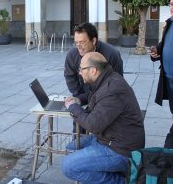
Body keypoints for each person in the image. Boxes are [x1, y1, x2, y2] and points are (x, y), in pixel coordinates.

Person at [61, 52, 145, 184]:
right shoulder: (107, 79)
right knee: (71, 148)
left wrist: (72, 107)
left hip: (121, 150)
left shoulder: (112, 89)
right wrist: (78, 100)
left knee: (67, 166)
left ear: (93, 70)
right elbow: (93, 96)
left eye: (81, 69)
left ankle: (122, 181)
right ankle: (102, 172)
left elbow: (92, 125)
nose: (79, 73)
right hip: (109, 138)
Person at [64, 22, 123, 106]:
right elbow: (70, 77)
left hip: (106, 99)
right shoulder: (72, 55)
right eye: (76, 42)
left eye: (82, 42)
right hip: (82, 96)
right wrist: (81, 97)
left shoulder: (111, 54)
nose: (78, 46)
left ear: (93, 40)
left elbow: (117, 83)